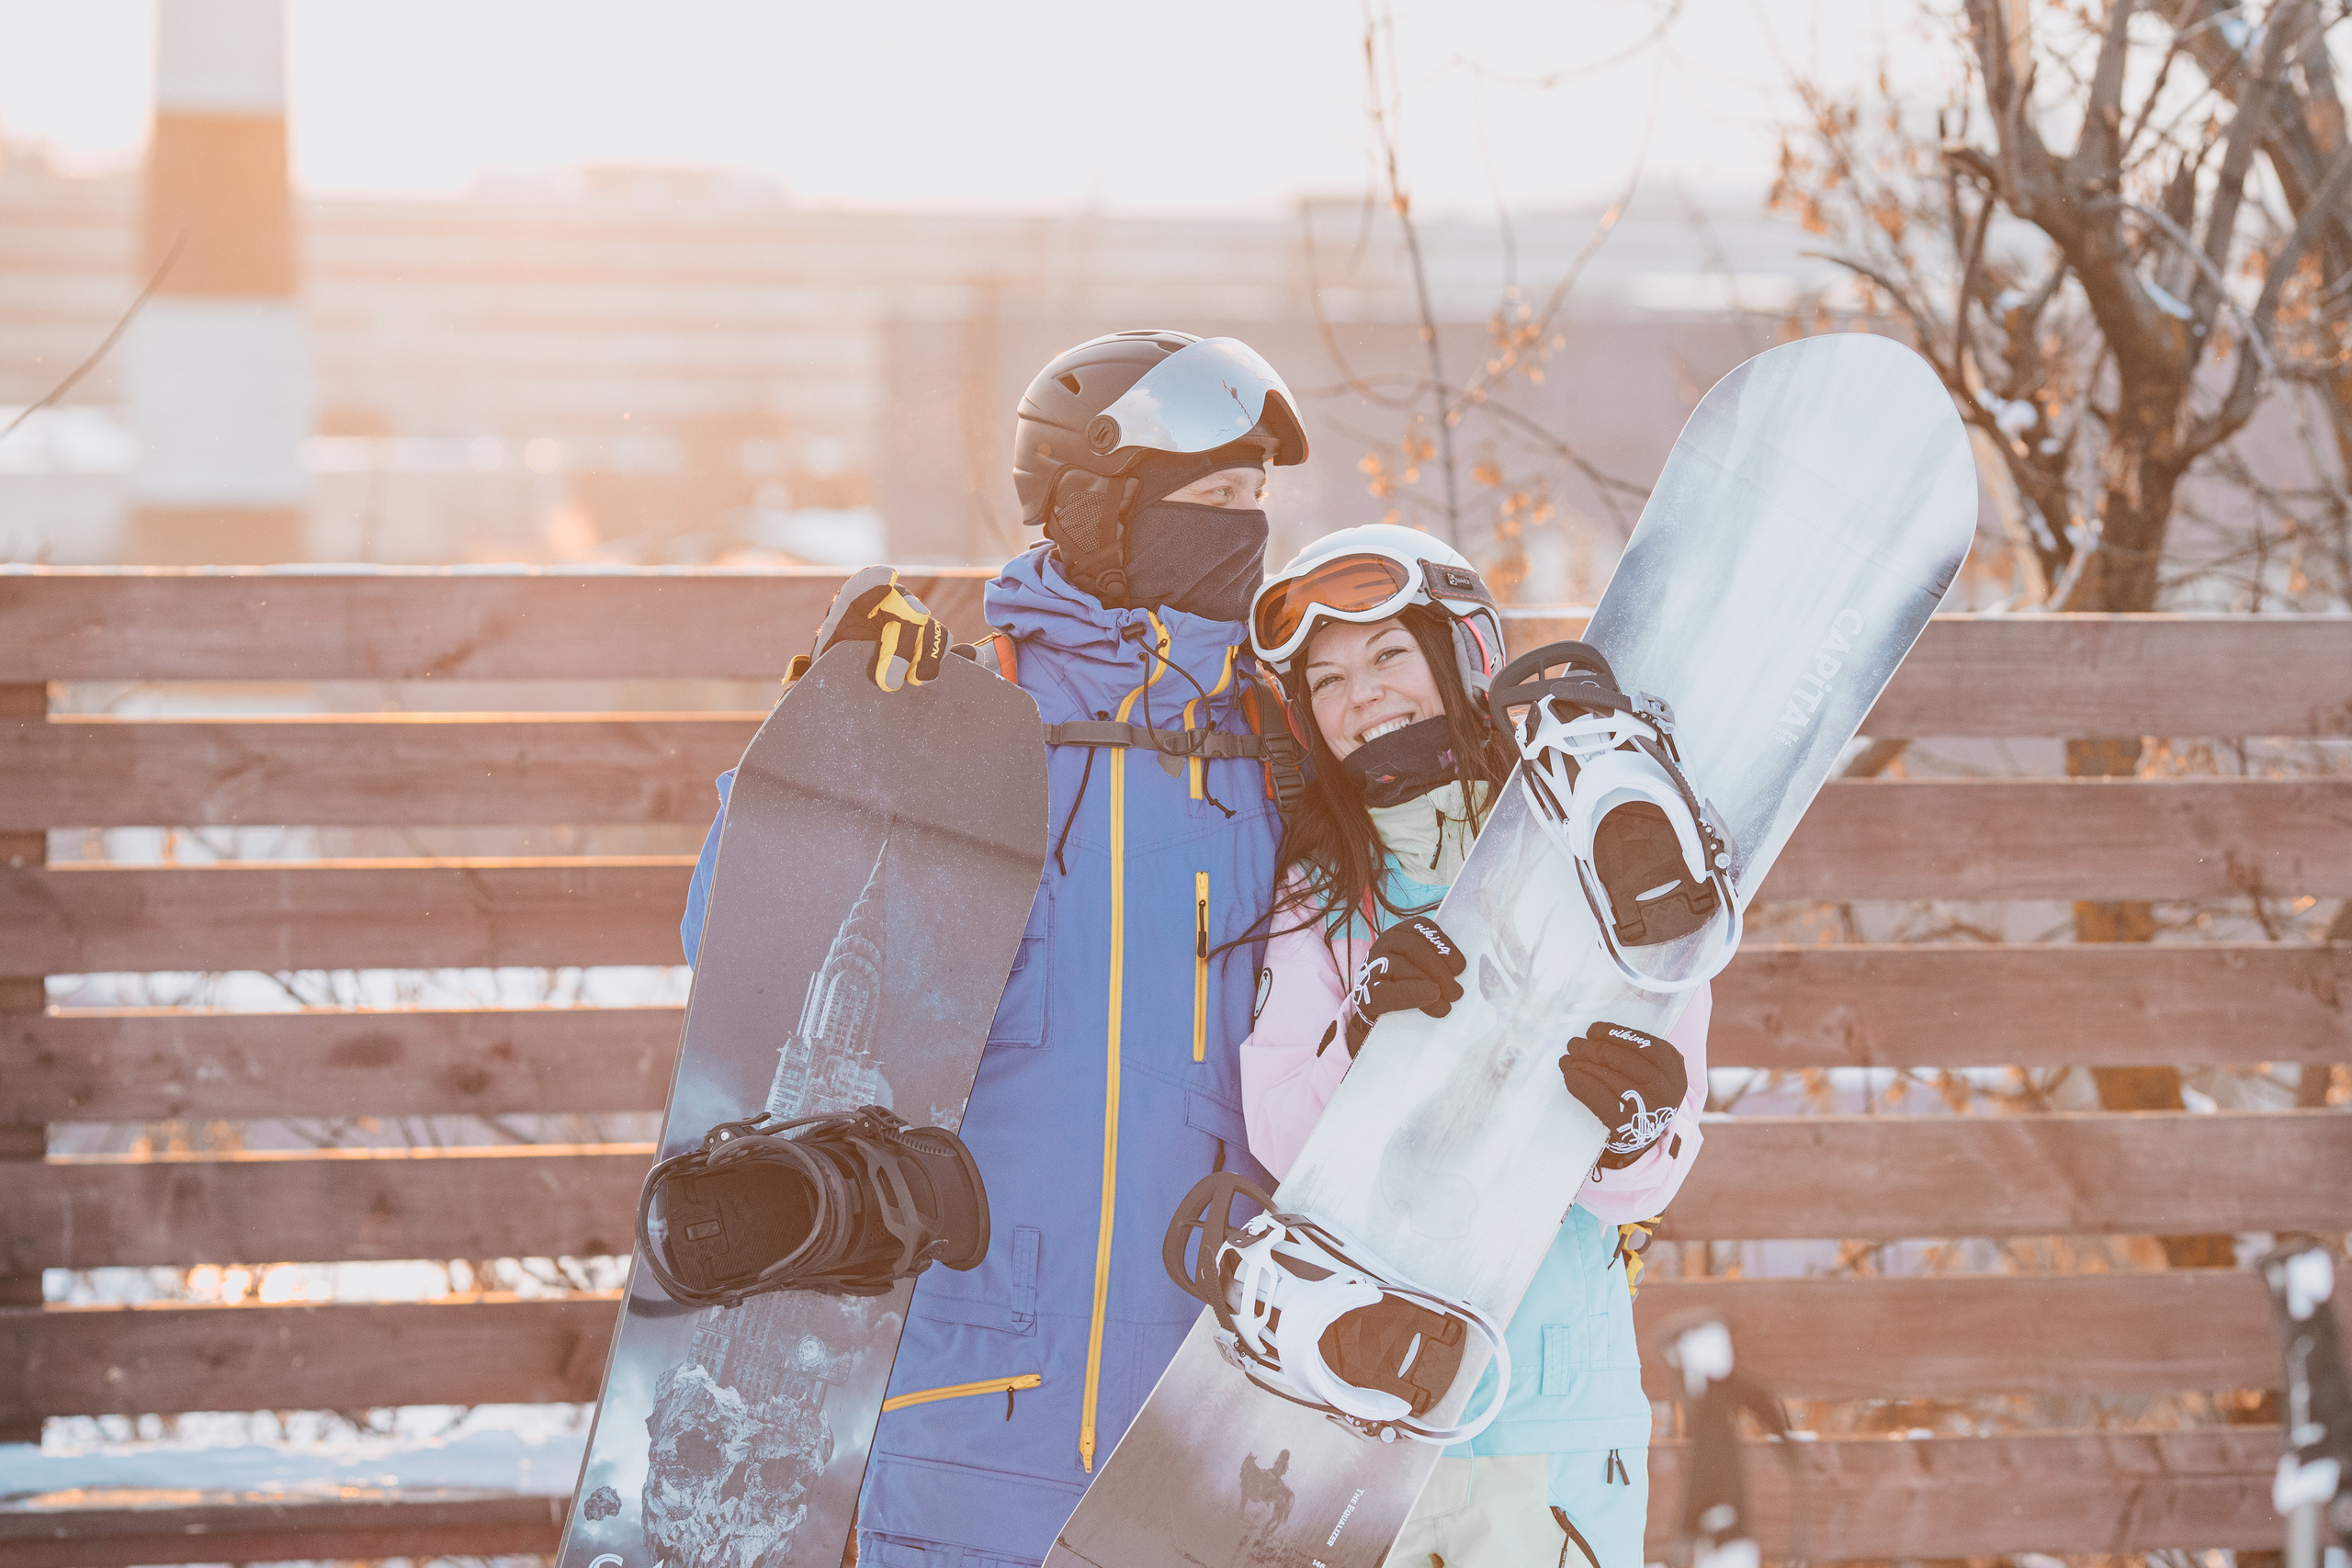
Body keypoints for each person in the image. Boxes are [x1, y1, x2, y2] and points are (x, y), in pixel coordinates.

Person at [681, 330, 1310, 1567]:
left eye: (1257, 505)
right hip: (977, 1386)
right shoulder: (967, 718)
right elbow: (740, 946)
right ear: (1102, 500)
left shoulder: (1282, 742)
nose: (1245, 534)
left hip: (1212, 1399)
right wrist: (838, 739)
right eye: (1214, 502)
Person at [1237, 523, 1712, 1568]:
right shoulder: (1317, 899)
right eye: (1326, 680)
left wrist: (1634, 1128)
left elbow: (1643, 1184)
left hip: (1547, 1407)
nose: (1362, 694)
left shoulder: (1606, 858)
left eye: (1388, 656)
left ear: (1461, 658)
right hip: (1357, 1417)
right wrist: (1363, 1037)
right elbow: (1276, 1132)